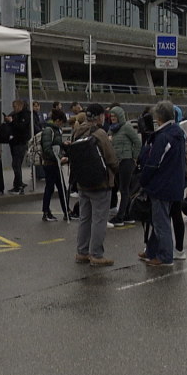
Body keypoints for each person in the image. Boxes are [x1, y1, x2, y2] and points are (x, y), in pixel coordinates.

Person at [138, 101, 185, 267]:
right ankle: (152, 251)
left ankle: (165, 256)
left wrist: (143, 181)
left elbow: (153, 163)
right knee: (160, 219)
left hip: (161, 185)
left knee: (161, 222)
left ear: (158, 117)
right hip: (174, 183)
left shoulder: (163, 137)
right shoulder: (178, 133)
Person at [72, 104, 120, 267]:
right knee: (99, 219)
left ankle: (82, 252)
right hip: (100, 182)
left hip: (82, 182)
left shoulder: (77, 131)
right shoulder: (100, 133)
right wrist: (116, 171)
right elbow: (110, 157)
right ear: (100, 117)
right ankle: (97, 255)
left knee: (84, 218)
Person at [107, 105, 141, 227]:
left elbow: (137, 142)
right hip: (116, 162)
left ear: (120, 116)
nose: (113, 118)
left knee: (124, 189)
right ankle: (128, 214)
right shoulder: (111, 130)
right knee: (121, 188)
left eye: (115, 116)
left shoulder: (127, 128)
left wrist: (134, 157)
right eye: (111, 116)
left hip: (126, 161)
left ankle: (120, 217)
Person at [40, 110, 68, 222]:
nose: (62, 125)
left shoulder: (54, 130)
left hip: (54, 163)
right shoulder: (49, 130)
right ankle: (46, 212)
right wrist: (59, 158)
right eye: (62, 123)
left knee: (61, 188)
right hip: (51, 163)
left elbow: (54, 144)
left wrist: (63, 144)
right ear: (58, 121)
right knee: (51, 188)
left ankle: (66, 211)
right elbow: (47, 148)